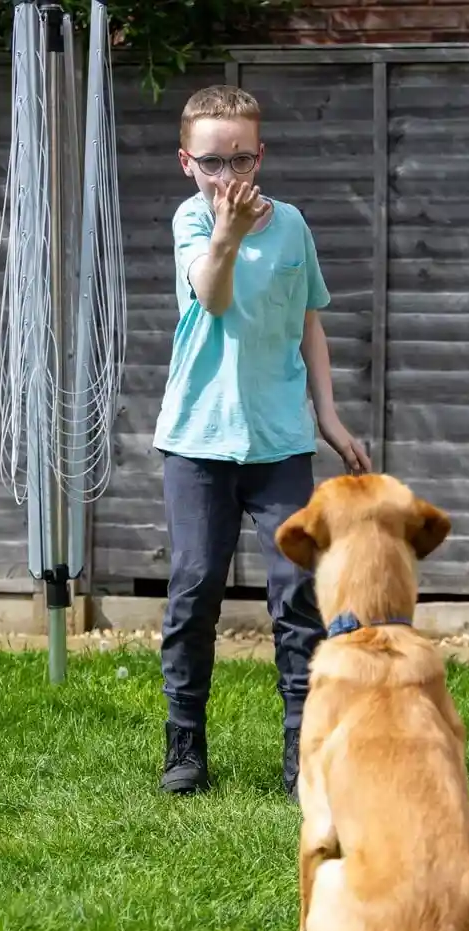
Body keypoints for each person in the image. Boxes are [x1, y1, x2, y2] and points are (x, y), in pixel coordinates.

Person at [153, 83, 370, 800]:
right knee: (194, 588)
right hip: (198, 442)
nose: (228, 176)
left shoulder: (293, 226)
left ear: (260, 155)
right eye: (212, 162)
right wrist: (228, 232)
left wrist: (328, 415)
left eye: (241, 159)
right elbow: (212, 296)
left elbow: (308, 321)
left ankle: (303, 752)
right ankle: (185, 744)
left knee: (299, 591)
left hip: (279, 442)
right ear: (187, 162)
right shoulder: (192, 221)